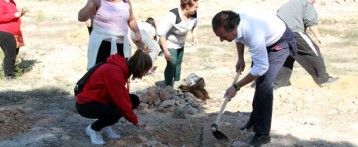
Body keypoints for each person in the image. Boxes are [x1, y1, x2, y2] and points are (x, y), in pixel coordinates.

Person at [212, 10, 297, 146]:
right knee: (258, 82)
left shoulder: (253, 34)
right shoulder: (235, 22)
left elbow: (260, 69)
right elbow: (238, 37)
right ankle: (255, 120)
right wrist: (240, 58)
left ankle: (262, 134)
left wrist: (236, 86)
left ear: (233, 29)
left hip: (280, 42)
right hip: (265, 40)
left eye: (223, 36)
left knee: (264, 84)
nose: (221, 40)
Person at [75, 49, 152, 145]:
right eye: (146, 71)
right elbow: (121, 102)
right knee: (118, 110)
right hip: (85, 104)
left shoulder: (121, 67)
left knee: (134, 100)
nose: (145, 74)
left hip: (99, 98)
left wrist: (133, 106)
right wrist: (135, 121)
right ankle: (93, 129)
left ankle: (106, 125)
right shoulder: (115, 72)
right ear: (140, 68)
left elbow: (121, 94)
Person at [274, 0, 339, 88]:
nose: (315, 2)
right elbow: (311, 21)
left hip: (277, 34)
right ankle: (323, 79)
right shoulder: (306, 4)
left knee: (286, 58)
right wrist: (318, 36)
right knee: (313, 52)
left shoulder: (288, 4)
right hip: (294, 32)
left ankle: (279, 84)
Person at [78, 0, 142, 70]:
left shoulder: (126, 2)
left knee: (119, 73)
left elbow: (131, 19)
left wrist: (137, 32)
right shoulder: (97, 1)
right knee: (101, 73)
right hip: (102, 45)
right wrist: (91, 3)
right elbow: (81, 18)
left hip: (122, 45)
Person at [157, 0, 199, 87]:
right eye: (195, 7)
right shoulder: (173, 15)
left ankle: (176, 83)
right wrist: (165, 51)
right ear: (187, 7)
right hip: (167, 42)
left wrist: (195, 37)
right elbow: (161, 33)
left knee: (178, 62)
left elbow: (195, 25)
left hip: (180, 42)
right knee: (172, 63)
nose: (196, 9)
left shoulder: (193, 14)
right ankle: (168, 86)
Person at [0, 0, 26, 79]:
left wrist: (20, 14)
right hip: (5, 31)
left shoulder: (12, 2)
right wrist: (15, 15)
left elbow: (12, 16)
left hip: (14, 32)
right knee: (10, 54)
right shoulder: (1, 2)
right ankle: (9, 76)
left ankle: (7, 70)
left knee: (14, 52)